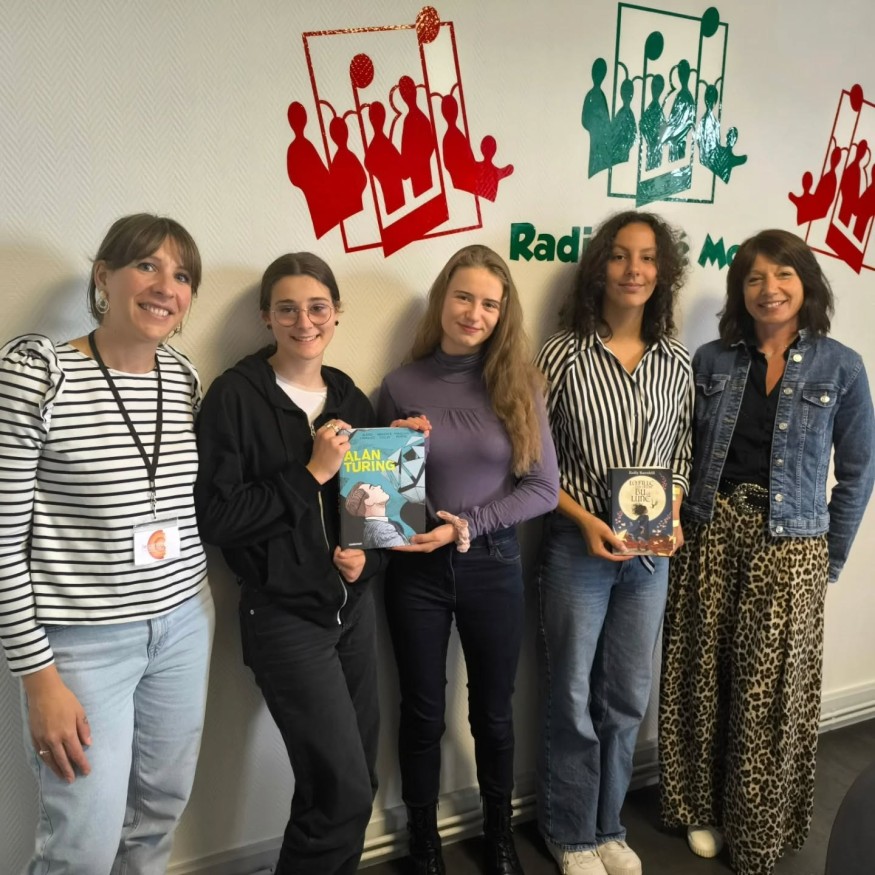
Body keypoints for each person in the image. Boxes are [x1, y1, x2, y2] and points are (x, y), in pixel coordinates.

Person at [0, 213, 214, 874]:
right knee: (81, 845)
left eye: (182, 275)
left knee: (156, 818)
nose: (166, 287)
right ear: (104, 277)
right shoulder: (40, 374)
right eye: (146, 265)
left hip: (183, 624)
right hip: (82, 645)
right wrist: (38, 676)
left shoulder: (182, 377)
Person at [659, 229, 875, 875]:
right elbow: (680, 448)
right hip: (709, 532)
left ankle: (754, 824)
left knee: (769, 690)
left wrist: (827, 558)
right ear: (739, 291)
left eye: (782, 274)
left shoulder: (841, 367)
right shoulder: (709, 361)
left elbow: (858, 471)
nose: (768, 288)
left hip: (790, 546)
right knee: (698, 676)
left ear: (806, 283)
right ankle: (698, 808)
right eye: (753, 277)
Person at [194, 252, 385, 875]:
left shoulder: (350, 396)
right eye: (288, 309)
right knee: (342, 791)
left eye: (317, 307)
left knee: (351, 784)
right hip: (283, 618)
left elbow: (376, 511)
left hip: (352, 613)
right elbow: (219, 519)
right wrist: (311, 473)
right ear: (266, 317)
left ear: (337, 313)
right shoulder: (234, 397)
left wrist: (365, 561)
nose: (305, 322)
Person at [378, 244, 559, 875]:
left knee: (493, 712)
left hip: (493, 562)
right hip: (415, 570)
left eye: (489, 303)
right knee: (422, 711)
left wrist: (468, 525)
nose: (473, 313)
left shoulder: (520, 384)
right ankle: (423, 841)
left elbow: (544, 489)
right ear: (442, 299)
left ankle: (499, 835)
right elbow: (376, 494)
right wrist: (391, 451)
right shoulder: (401, 385)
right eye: (463, 297)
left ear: (503, 312)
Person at [535, 211, 693, 875]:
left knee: (626, 696)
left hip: (649, 555)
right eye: (621, 255)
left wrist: (673, 511)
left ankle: (607, 826)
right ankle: (568, 831)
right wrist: (583, 519)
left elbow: (681, 454)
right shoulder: (561, 354)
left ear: (663, 273)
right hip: (579, 548)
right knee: (572, 694)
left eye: (648, 258)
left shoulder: (676, 361)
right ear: (600, 267)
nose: (634, 270)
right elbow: (533, 461)